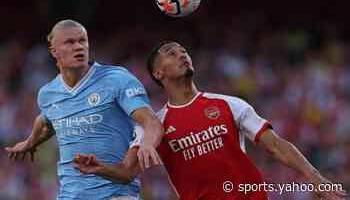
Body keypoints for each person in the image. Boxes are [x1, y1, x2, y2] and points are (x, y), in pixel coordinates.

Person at [73, 41, 348, 200]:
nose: (182, 54)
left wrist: (315, 177)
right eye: (171, 52)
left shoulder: (229, 104)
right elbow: (127, 171)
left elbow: (276, 145)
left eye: (183, 51)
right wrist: (100, 168)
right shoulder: (154, 126)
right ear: (158, 73)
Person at [4, 19, 164, 200]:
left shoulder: (116, 79)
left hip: (116, 195)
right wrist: (29, 143)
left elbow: (151, 121)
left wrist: (148, 144)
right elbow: (46, 122)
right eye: (70, 42)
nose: (78, 47)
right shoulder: (47, 94)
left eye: (82, 41)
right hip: (70, 196)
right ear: (54, 51)